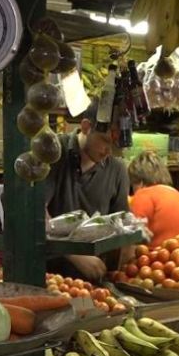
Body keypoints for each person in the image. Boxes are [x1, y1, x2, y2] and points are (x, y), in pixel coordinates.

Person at [45, 118, 130, 282]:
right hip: (49, 275)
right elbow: (35, 212)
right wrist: (73, 253)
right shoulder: (54, 153)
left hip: (94, 279)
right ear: (86, 126)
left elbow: (121, 224)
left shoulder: (117, 169)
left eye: (115, 145)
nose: (108, 151)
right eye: (105, 140)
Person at [127, 151, 179, 246]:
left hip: (161, 257)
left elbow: (133, 237)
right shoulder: (177, 195)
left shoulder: (143, 195)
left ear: (139, 181)